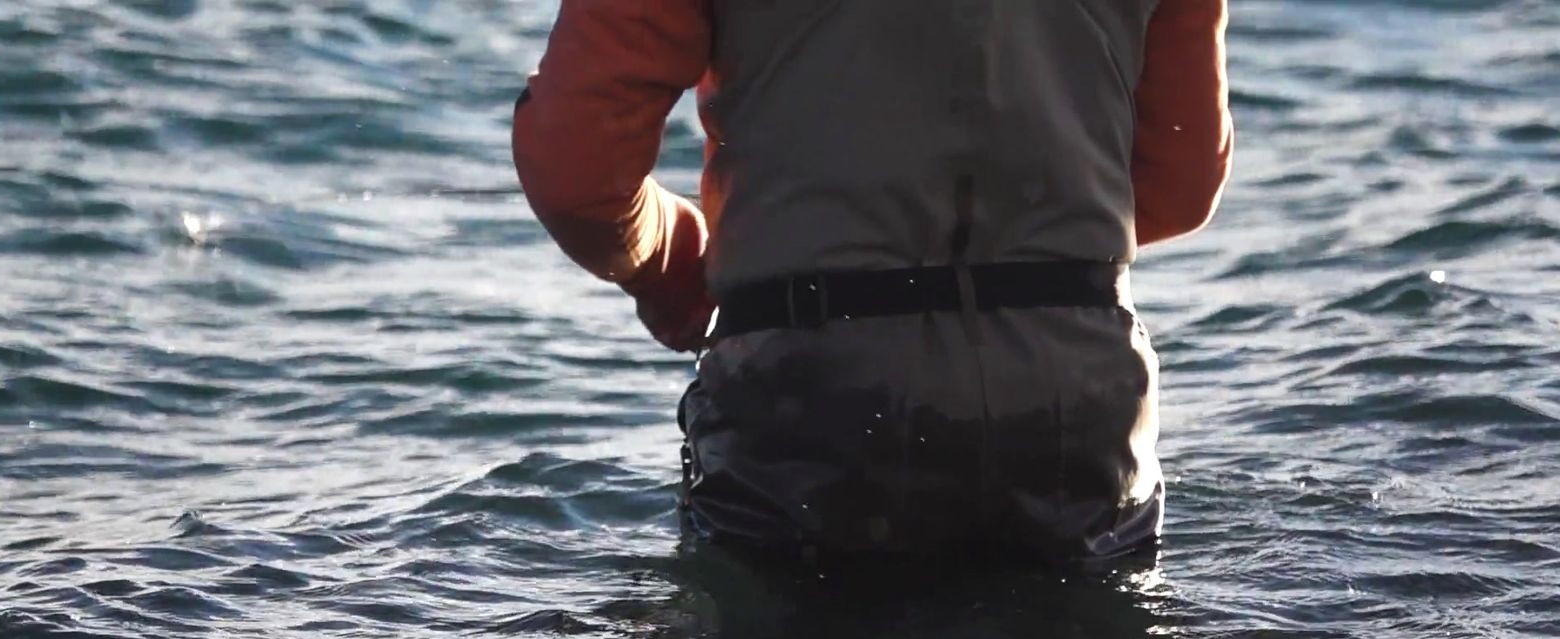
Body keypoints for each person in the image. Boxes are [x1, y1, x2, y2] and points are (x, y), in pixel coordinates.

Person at [513, 1, 1232, 563]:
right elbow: (1179, 182)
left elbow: (579, 176)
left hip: (818, 389)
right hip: (1077, 396)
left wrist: (679, 272)